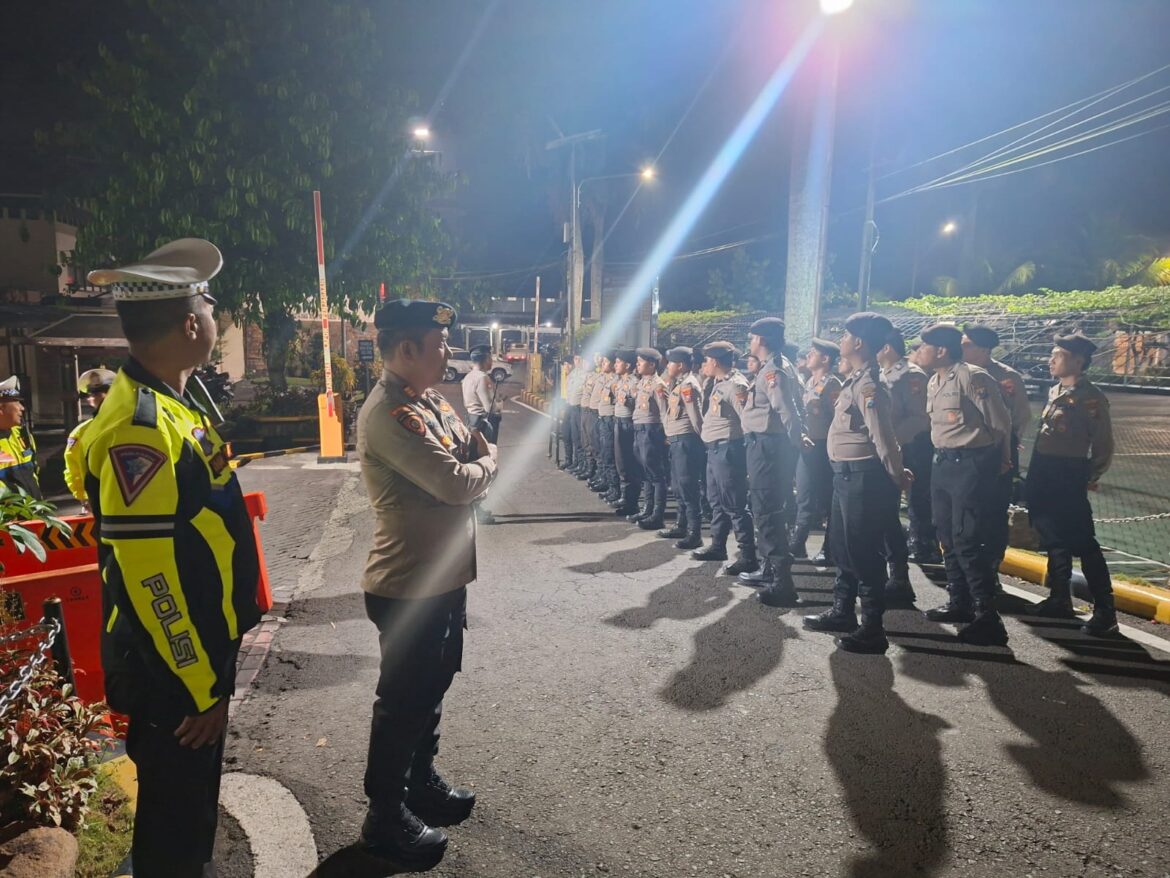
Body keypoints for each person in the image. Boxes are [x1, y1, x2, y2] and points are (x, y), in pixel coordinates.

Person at [83, 239, 259, 877]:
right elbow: (148, 576)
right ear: (191, 324)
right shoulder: (142, 428)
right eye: (210, 306)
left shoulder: (176, 403)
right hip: (174, 671)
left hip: (191, 655)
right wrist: (199, 685)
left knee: (186, 819)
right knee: (176, 830)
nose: (216, 317)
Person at [356, 298, 497, 868]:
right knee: (402, 701)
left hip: (441, 579)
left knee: (432, 690)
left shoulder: (431, 400)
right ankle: (383, 816)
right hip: (407, 584)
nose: (448, 353)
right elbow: (458, 479)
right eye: (439, 345)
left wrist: (476, 464)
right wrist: (489, 467)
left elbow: (467, 451)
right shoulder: (391, 413)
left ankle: (419, 783)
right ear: (407, 348)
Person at [803, 312, 911, 653]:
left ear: (859, 342)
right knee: (842, 545)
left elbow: (884, 436)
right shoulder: (854, 380)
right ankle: (842, 610)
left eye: (846, 334)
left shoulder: (868, 385)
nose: (842, 340)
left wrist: (896, 473)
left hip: (864, 475)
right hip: (845, 473)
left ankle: (873, 628)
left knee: (864, 551)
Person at [919, 322, 1013, 646]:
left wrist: (1002, 461)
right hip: (942, 464)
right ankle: (959, 602)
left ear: (941, 350)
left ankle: (988, 616)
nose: (921, 352)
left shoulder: (973, 376)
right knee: (945, 535)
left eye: (925, 346)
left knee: (967, 539)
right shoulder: (935, 381)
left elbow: (1001, 424)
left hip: (971, 465)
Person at [1025, 333, 1118, 636]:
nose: (1051, 359)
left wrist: (1089, 476)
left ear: (1077, 360)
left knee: (1084, 543)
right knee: (1052, 537)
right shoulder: (1055, 391)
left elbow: (1103, 445)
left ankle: (1105, 611)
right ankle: (1059, 598)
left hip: (1068, 474)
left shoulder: (1090, 398)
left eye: (1058, 354)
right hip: (1044, 471)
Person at [734, 318, 805, 607]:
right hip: (764, 446)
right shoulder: (773, 367)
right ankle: (769, 569)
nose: (750, 343)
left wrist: (798, 440)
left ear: (761, 339)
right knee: (766, 507)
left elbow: (786, 409)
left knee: (766, 510)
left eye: (752, 338)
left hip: (768, 447)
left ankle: (781, 583)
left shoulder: (773, 370)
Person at [961, 325, 1031, 580]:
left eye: (966, 344)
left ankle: (990, 569)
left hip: (996, 452)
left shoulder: (1006, 377)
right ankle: (967, 572)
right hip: (966, 453)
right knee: (967, 510)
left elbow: (1021, 416)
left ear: (982, 349)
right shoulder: (959, 372)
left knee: (993, 511)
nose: (961, 347)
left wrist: (1007, 445)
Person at [876, 329, 932, 606]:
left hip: (906, 448)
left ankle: (899, 577)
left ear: (886, 347)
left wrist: (891, 440)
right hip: (883, 448)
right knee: (882, 512)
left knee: (889, 512)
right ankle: (892, 574)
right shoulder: (881, 374)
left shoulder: (911, 375)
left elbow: (919, 417)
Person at [692, 342, 758, 575]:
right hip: (714, 449)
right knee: (716, 500)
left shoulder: (736, 385)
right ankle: (718, 546)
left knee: (734, 503)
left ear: (715, 362)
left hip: (728, 450)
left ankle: (749, 556)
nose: (703, 365)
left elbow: (747, 420)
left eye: (706, 360)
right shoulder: (718, 383)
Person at [788, 338, 842, 562]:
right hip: (808, 445)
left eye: (814, 353)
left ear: (826, 359)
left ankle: (830, 548)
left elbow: (836, 420)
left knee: (826, 498)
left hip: (823, 447)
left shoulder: (833, 384)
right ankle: (798, 543)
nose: (809, 355)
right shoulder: (809, 381)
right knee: (804, 494)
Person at [659, 347, 705, 549]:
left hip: (687, 441)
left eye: (671, 362)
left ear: (681, 365)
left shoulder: (688, 386)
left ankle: (695, 533)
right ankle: (681, 525)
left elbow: (696, 418)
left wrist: (702, 440)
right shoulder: (680, 384)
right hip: (677, 440)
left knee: (688, 487)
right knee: (678, 487)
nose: (668, 366)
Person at [63, 368, 118, 507]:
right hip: (97, 498)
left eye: (109, 392)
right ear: (90, 400)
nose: (104, 397)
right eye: (97, 394)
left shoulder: (130, 425)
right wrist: (84, 497)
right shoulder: (80, 433)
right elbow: (74, 468)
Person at [631, 347, 668, 530]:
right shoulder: (642, 382)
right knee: (645, 472)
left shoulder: (658, 385)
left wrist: (666, 434)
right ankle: (647, 509)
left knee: (655, 475)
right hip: (639, 429)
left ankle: (657, 515)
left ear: (652, 364)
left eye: (641, 361)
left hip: (650, 431)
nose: (637, 363)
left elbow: (664, 411)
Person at [611, 350, 643, 515]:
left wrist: (627, 401)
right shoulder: (619, 380)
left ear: (627, 365)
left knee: (629, 463)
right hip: (618, 421)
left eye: (618, 362)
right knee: (620, 462)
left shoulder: (633, 382)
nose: (615, 364)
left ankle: (632, 503)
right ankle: (625, 497)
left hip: (627, 424)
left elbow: (637, 404)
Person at [0, 376, 41, 499]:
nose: (22, 408)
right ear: (1, 408)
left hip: (34, 511)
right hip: (8, 515)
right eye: (16, 402)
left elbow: (33, 473)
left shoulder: (23, 436)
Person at [589, 353, 618, 501]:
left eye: (606, 360)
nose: (602, 363)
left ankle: (613, 487)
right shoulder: (606, 379)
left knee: (609, 454)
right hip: (602, 417)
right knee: (600, 450)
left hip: (610, 420)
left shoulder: (615, 381)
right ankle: (604, 479)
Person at [575, 354, 602, 481]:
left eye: (586, 362)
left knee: (593, 441)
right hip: (584, 409)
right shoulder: (587, 376)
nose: (584, 364)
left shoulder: (597, 377)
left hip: (592, 412)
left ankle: (595, 470)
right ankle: (587, 466)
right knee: (584, 438)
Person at [562, 353, 586, 471]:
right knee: (566, 434)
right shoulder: (572, 374)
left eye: (579, 359)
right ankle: (568, 460)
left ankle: (578, 463)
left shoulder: (585, 375)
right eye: (575, 359)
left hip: (578, 408)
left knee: (576, 437)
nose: (576, 361)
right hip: (569, 406)